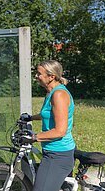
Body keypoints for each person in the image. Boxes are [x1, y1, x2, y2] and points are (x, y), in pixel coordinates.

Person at [29, 60, 76, 191]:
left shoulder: (59, 94)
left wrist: (34, 137)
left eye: (39, 74)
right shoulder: (50, 92)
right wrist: (30, 117)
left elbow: (60, 131)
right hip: (52, 151)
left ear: (51, 77)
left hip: (58, 155)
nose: (37, 77)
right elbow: (48, 114)